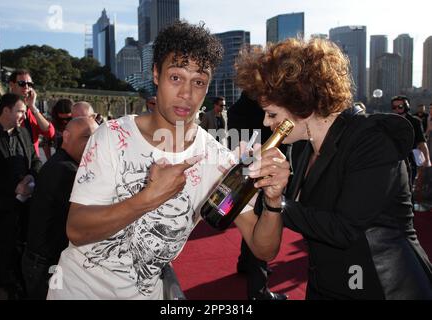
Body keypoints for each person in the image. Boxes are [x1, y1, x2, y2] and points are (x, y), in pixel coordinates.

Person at [47, 21, 288, 300]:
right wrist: (149, 198)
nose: (186, 93)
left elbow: (263, 249)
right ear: (156, 74)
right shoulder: (112, 137)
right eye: (176, 78)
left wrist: (273, 200)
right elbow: (76, 229)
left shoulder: (216, 160)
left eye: (198, 82)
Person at [235, 37, 432, 299]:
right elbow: (296, 212)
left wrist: (276, 201)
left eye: (271, 114)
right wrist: (250, 185)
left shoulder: (370, 140)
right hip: (327, 284)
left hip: (384, 287)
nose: (265, 122)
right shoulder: (304, 148)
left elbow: (345, 229)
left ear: (301, 104)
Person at [22, 117, 98, 299]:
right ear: (66, 136)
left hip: (42, 262)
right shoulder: (66, 170)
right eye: (87, 137)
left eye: (97, 139)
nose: (93, 145)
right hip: (46, 266)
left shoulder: (63, 164)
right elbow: (90, 220)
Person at [227, 91, 287, 300]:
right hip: (259, 169)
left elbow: (234, 142)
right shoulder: (262, 109)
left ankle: (245, 262)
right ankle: (258, 292)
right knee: (261, 221)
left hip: (239, 169)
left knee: (252, 217)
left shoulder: (236, 109)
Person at [0, 93, 42, 299]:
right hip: (2, 201)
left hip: (27, 198)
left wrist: (30, 179)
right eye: (20, 111)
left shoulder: (24, 133)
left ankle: (9, 277)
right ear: (6, 110)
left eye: (24, 112)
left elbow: (34, 160)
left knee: (23, 241)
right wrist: (14, 187)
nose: (23, 116)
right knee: (7, 243)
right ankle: (10, 285)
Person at [0, 70, 55, 157]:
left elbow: (50, 133)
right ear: (12, 85)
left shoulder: (32, 111)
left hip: (32, 162)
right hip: (10, 160)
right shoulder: (2, 110)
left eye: (30, 84)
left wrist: (32, 107)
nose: (26, 87)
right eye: (22, 83)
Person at [391, 96, 431, 187]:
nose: (397, 109)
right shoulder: (390, 121)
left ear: (406, 107)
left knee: (408, 185)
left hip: (409, 160)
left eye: (400, 107)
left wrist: (427, 160)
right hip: (393, 159)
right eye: (394, 107)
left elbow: (421, 141)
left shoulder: (415, 121)